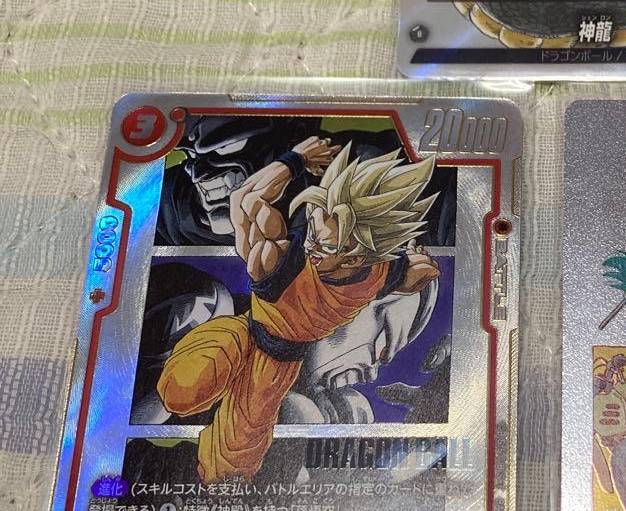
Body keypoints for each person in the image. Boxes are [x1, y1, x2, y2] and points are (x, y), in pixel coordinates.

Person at [158, 138, 440, 483]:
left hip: (276, 367)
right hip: (239, 334)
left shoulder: (378, 272)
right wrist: (295, 160)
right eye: (313, 234)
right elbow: (244, 200)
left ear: (357, 257)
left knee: (232, 464)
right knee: (181, 392)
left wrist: (422, 264)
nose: (312, 247)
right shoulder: (283, 261)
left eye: (325, 246)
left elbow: (416, 276)